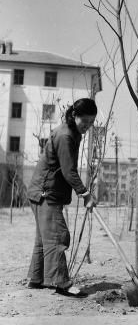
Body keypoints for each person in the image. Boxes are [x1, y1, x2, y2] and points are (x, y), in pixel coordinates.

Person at [27, 98, 97, 298]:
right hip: (45, 192)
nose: (87, 127)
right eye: (85, 122)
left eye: (91, 123)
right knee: (57, 236)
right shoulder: (65, 135)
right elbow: (69, 171)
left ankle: (37, 278)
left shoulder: (72, 132)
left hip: (45, 191)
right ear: (74, 116)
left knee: (44, 239)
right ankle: (61, 283)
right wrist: (85, 194)